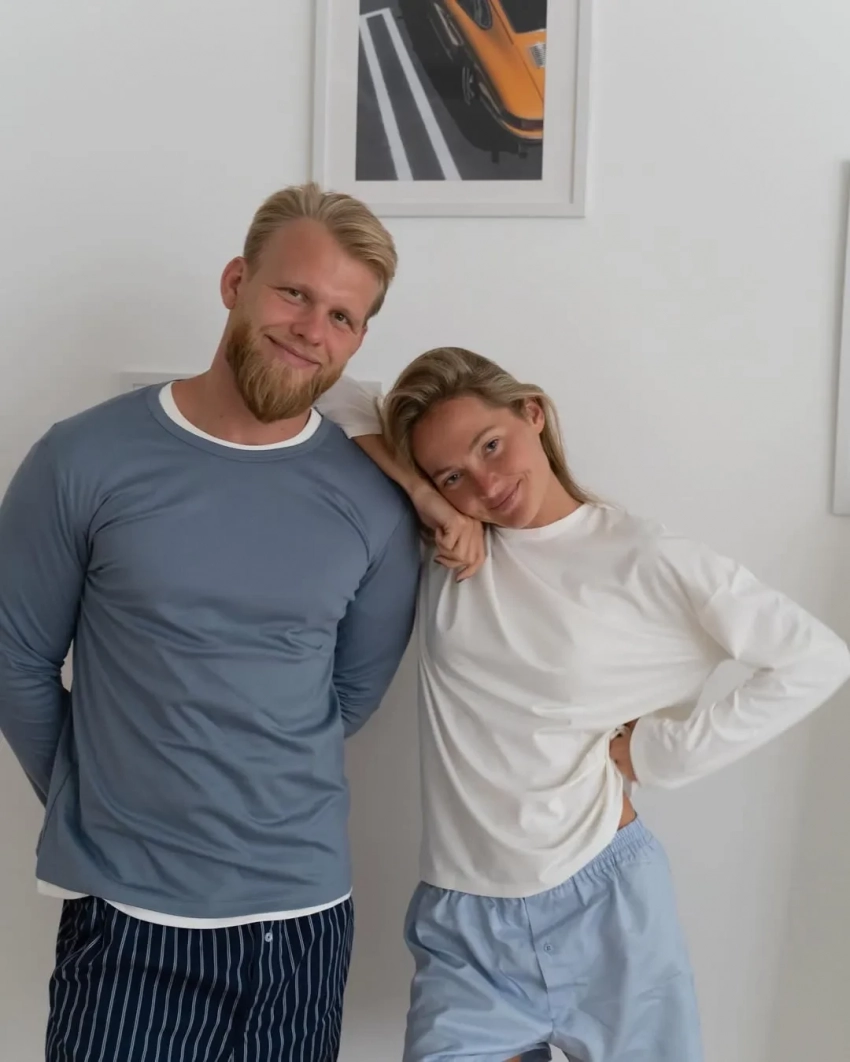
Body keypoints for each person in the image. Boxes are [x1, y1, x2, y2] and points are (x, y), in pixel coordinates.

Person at [316, 346, 850, 1062]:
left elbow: (815, 658)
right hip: (465, 926)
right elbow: (330, 387)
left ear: (532, 413)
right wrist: (428, 497)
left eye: (491, 445)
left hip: (607, 907)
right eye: (455, 474)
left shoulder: (642, 555)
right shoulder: (451, 547)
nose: (486, 483)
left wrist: (661, 752)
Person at [0, 182, 422, 1062]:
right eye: (294, 293)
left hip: (301, 925)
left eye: (342, 317)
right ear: (236, 282)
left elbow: (348, 696)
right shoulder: (82, 458)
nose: (311, 329)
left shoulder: (373, 502)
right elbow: (15, 659)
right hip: (128, 922)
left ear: (358, 340)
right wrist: (94, 798)